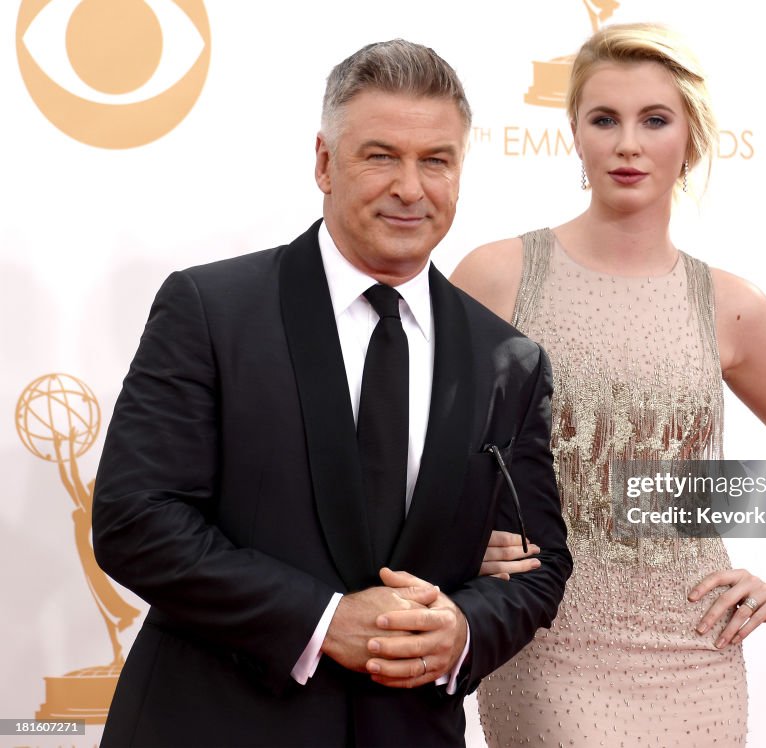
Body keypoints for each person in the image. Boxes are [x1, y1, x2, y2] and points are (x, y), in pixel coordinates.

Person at [91, 39, 571, 748]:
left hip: (408, 730)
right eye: (381, 156)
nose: (411, 187)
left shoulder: (507, 358)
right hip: (214, 725)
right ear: (324, 161)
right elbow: (136, 520)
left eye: (435, 160)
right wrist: (320, 619)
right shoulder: (211, 309)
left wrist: (463, 629)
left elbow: (539, 564)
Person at [452, 23, 766, 746]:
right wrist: (461, 543)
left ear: (690, 140)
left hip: (694, 647)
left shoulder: (732, 306)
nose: (627, 143)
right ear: (575, 134)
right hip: (546, 640)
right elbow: (427, 455)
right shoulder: (498, 276)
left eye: (654, 120)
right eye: (604, 119)